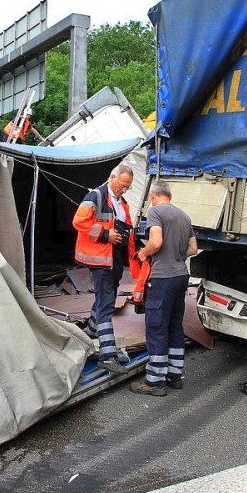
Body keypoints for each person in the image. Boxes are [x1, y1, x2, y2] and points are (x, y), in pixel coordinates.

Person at [130, 179, 198, 396]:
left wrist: (144, 253)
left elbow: (156, 242)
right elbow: (193, 248)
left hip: (162, 278)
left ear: (153, 196)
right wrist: (176, 256)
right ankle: (174, 376)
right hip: (181, 275)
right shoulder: (184, 216)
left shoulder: (155, 212)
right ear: (170, 196)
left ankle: (154, 381)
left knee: (157, 326)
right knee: (174, 325)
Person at [72, 164, 138, 374]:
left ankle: (91, 333)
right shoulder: (95, 196)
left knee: (104, 299)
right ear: (112, 177)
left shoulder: (121, 202)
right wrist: (105, 234)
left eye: (128, 187)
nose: (124, 190)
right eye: (122, 185)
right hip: (100, 259)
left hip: (113, 259)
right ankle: (108, 355)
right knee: (106, 305)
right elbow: (79, 221)